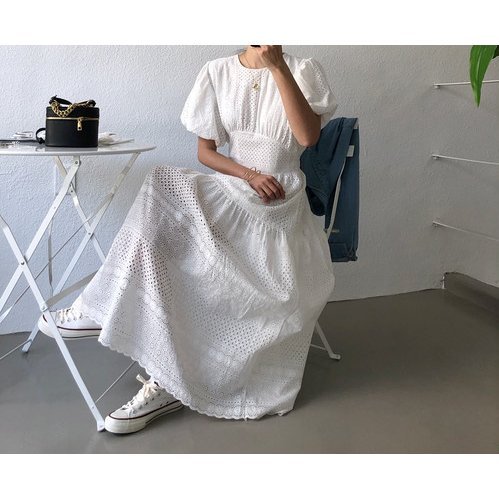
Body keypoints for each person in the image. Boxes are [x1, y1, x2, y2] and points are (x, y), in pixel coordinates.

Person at [38, 45, 338, 434]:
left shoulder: (302, 69)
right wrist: (248, 175)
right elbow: (206, 152)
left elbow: (307, 137)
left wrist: (278, 66)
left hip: (278, 199)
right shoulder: (217, 72)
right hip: (238, 186)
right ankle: (120, 326)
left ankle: (119, 327)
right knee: (161, 192)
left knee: (168, 210)